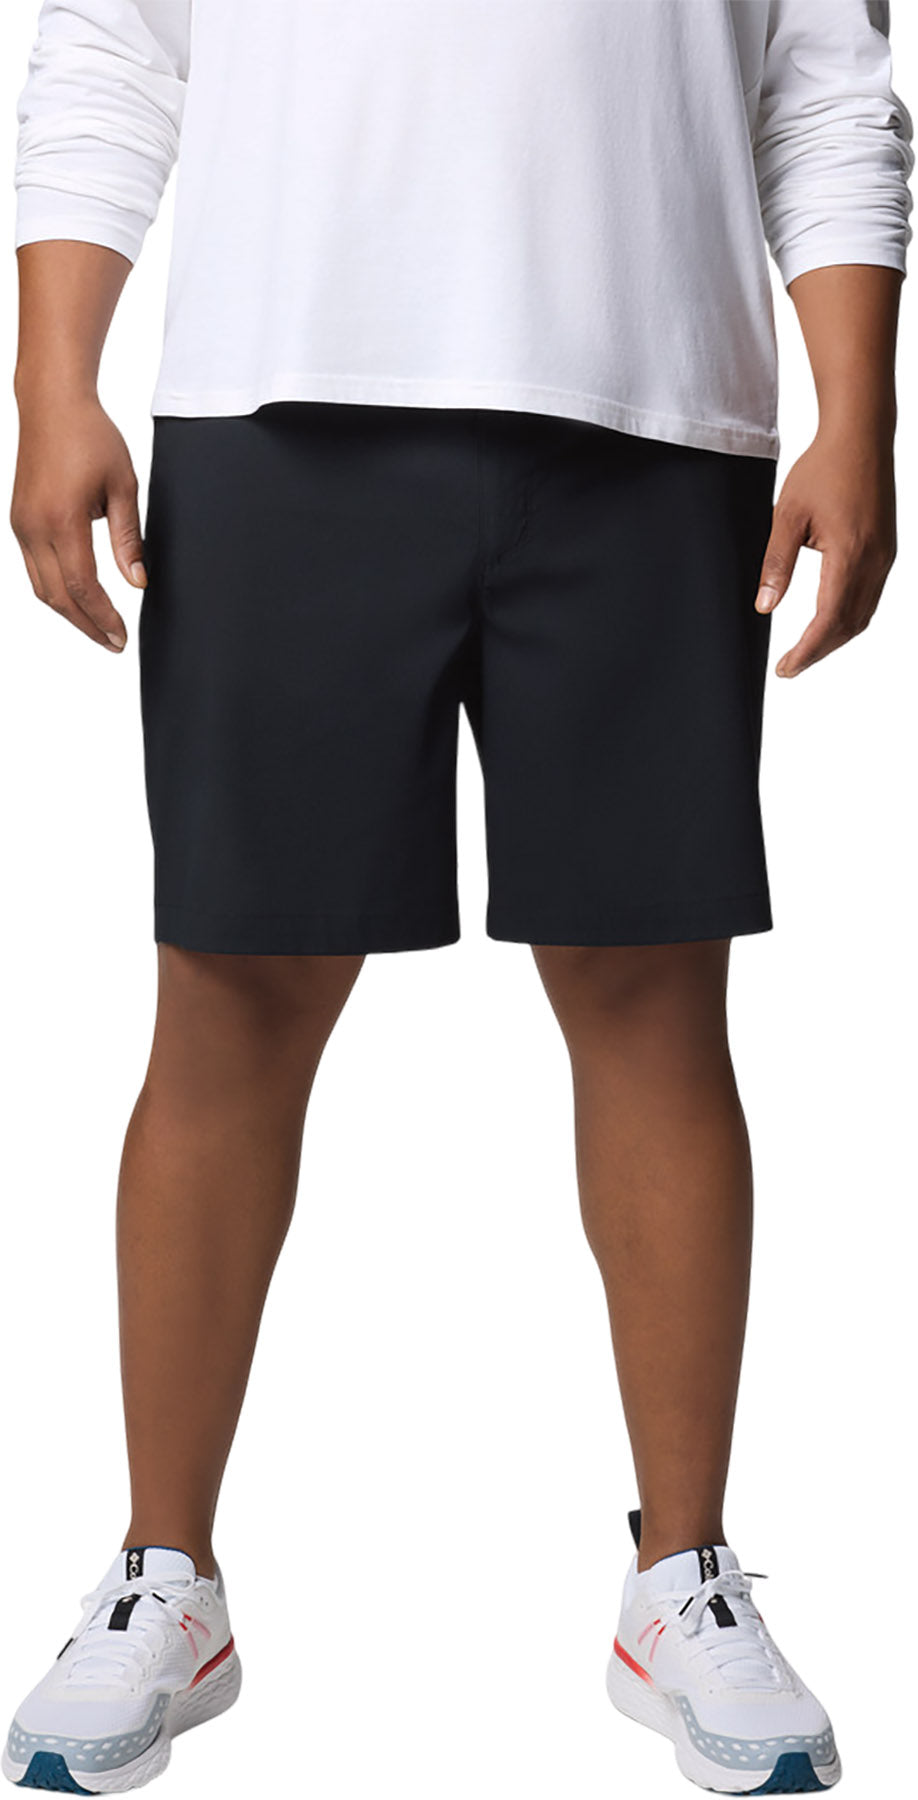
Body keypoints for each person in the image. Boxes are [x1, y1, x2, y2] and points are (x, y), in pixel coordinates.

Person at [3, 2, 912, 1794]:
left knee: (652, 997)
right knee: (232, 998)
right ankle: (165, 1574)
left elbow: (822, 80)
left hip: (654, 425)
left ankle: (679, 1578)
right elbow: (108, 49)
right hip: (276, 407)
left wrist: (855, 412)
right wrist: (54, 384)